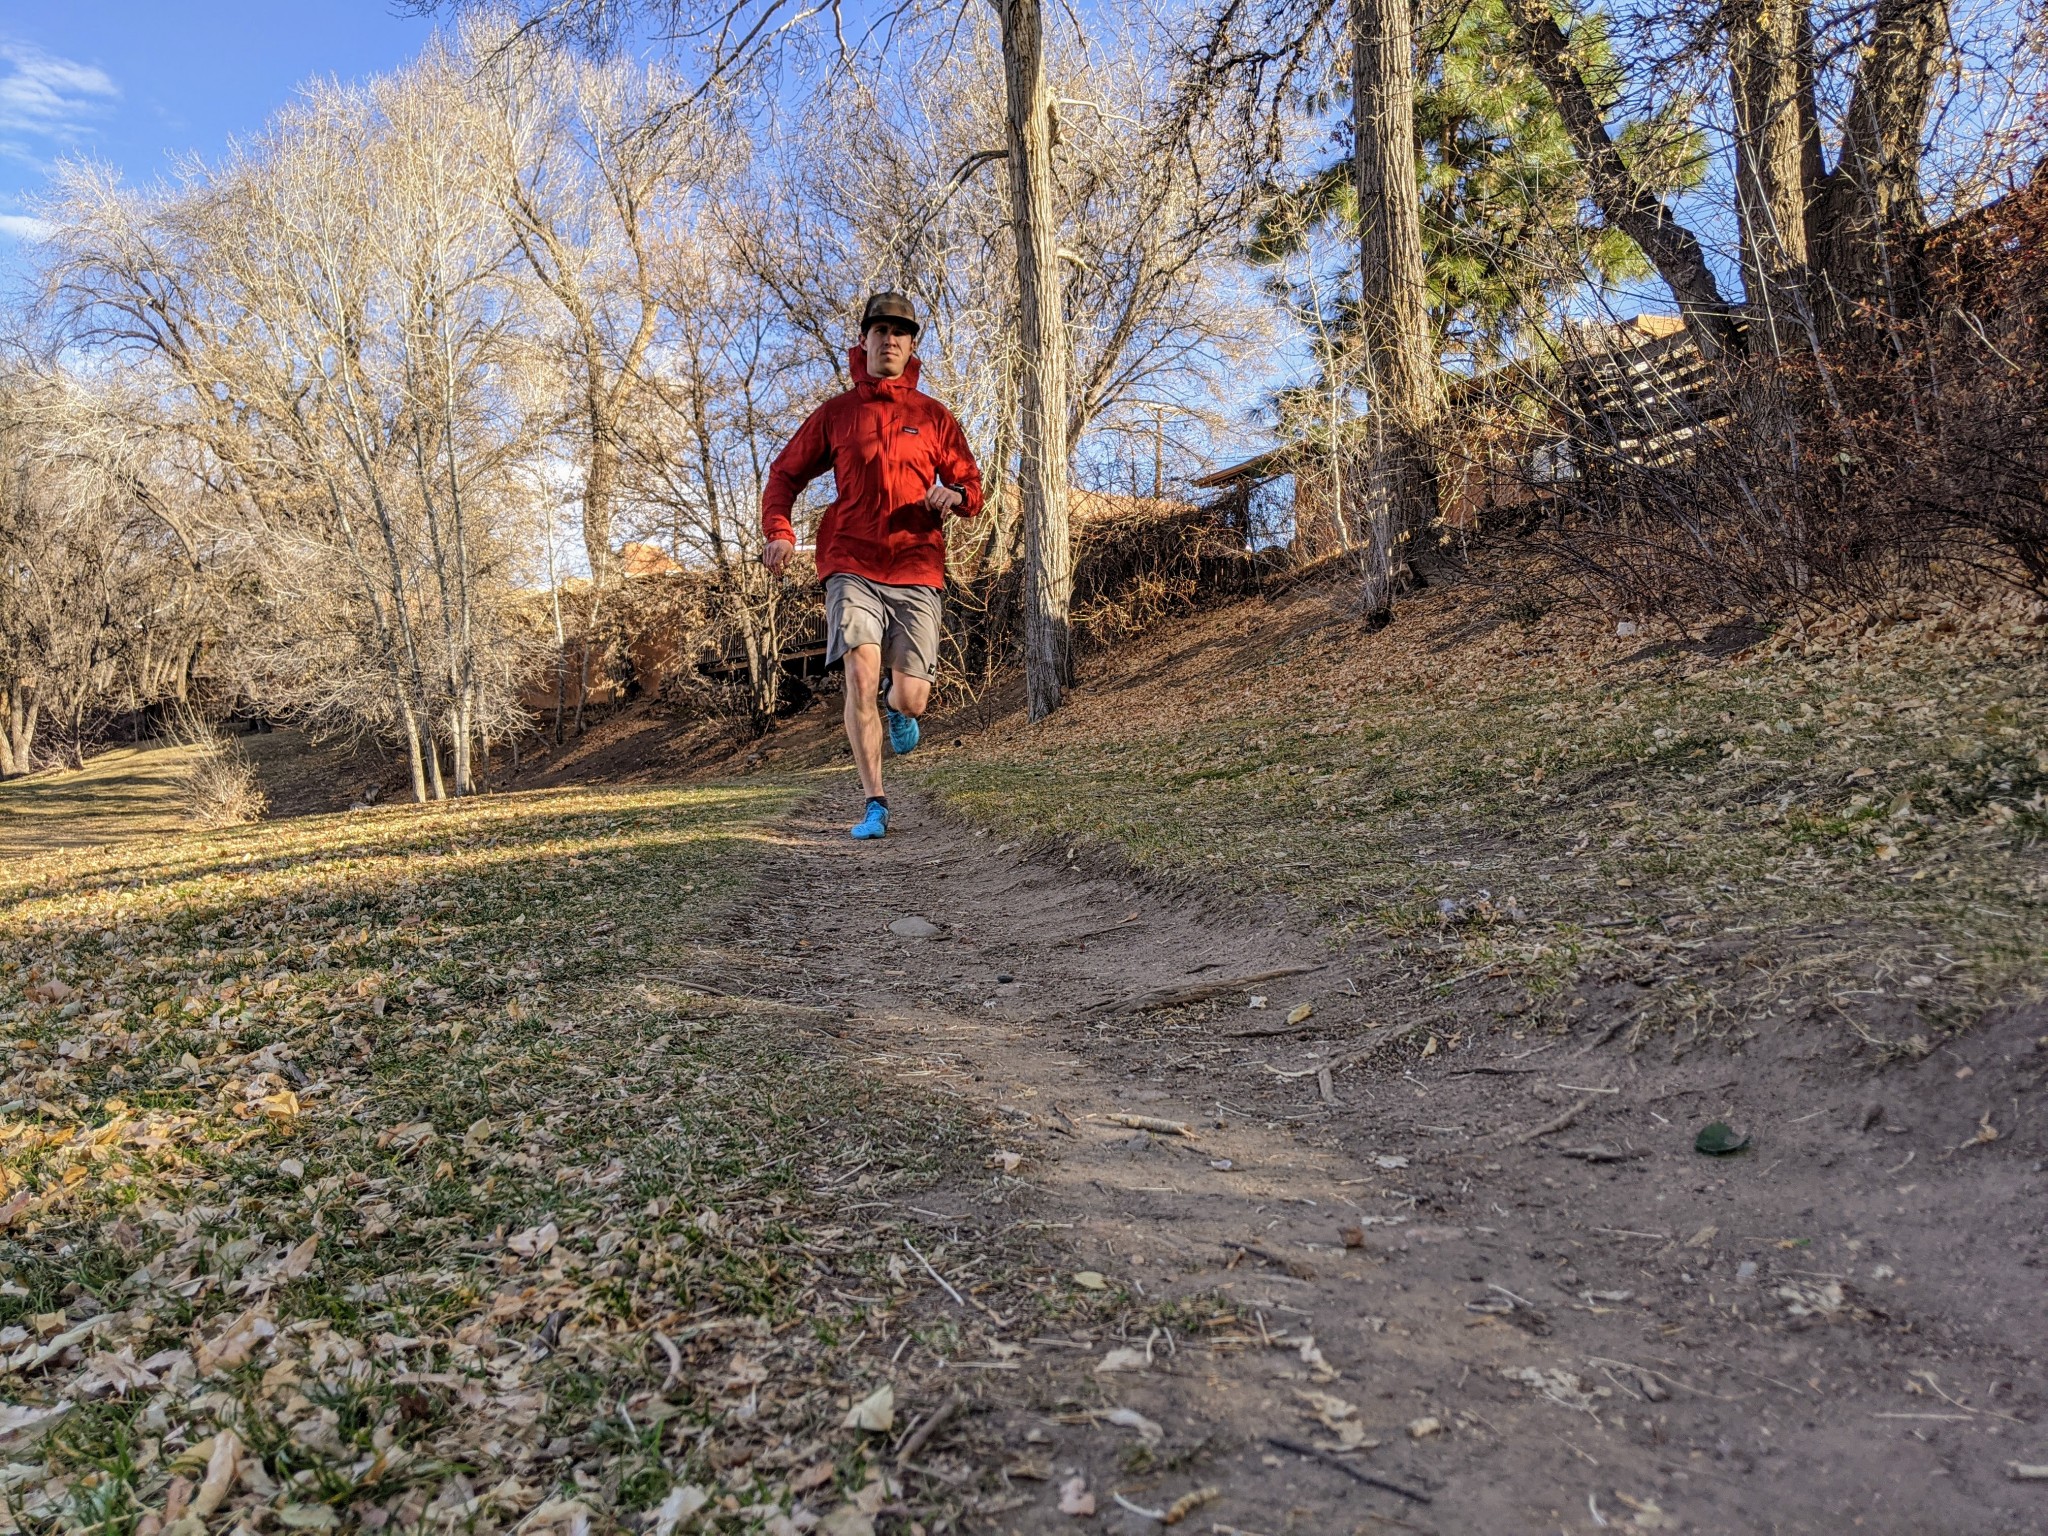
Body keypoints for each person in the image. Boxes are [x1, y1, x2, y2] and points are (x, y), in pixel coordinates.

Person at [761, 292, 984, 839]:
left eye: (899, 332)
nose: (889, 340)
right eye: (880, 330)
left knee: (911, 695)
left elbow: (972, 487)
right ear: (864, 341)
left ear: (911, 346)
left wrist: (955, 495)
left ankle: (899, 708)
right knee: (860, 674)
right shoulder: (837, 415)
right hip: (851, 560)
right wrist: (780, 532)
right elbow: (784, 474)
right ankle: (875, 803)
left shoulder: (933, 416)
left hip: (916, 565)